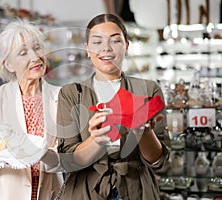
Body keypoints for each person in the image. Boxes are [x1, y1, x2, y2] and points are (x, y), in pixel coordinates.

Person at [56, 13, 170, 200]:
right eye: (97, 42)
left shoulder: (148, 90)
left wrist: (145, 132)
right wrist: (96, 140)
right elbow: (68, 161)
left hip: (137, 191)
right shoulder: (71, 94)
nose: (106, 48)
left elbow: (159, 161)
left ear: (126, 46)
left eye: (115, 41)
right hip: (86, 192)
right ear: (87, 49)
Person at [0, 20, 62, 200]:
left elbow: (65, 154)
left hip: (48, 193)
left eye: (37, 48)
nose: (35, 57)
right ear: (9, 64)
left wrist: (43, 154)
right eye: (23, 52)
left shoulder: (60, 97)